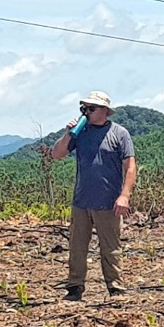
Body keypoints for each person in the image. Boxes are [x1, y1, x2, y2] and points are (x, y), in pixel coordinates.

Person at [49, 90, 136, 301]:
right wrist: (68, 133)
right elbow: (56, 155)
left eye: (91, 108)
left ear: (104, 111)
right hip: (81, 201)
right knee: (77, 246)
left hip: (107, 202)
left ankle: (116, 288)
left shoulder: (119, 133)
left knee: (110, 247)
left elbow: (130, 166)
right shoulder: (80, 132)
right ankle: (75, 287)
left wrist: (124, 195)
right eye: (84, 108)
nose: (86, 112)